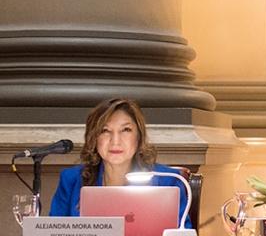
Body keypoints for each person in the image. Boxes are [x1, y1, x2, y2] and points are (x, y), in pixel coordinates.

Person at [49, 98, 191, 228]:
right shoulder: (71, 179)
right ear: (94, 138)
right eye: (105, 131)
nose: (115, 141)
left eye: (126, 130)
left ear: (139, 137)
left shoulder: (168, 181)